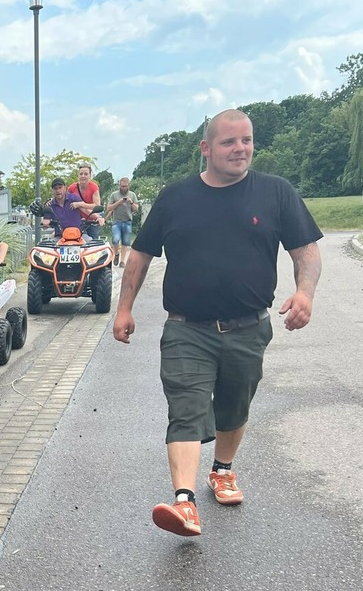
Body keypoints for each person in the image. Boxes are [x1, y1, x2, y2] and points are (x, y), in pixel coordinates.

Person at [112, 108, 323, 537]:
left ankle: (222, 469)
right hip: (186, 328)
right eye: (229, 142)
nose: (240, 149)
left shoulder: (276, 193)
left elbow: (306, 252)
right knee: (186, 408)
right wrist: (124, 308)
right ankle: (184, 503)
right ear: (206, 149)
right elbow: (140, 257)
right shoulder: (175, 197)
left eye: (246, 140)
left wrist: (305, 293)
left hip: (248, 326)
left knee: (234, 406)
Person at [106, 177, 139, 267]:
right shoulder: (114, 195)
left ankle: (122, 261)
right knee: (115, 239)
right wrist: (119, 202)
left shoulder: (132, 195)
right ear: (119, 186)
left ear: (128, 185)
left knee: (125, 242)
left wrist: (131, 203)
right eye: (122, 186)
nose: (124, 188)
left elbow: (136, 209)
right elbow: (108, 208)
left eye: (125, 186)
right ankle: (116, 253)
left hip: (127, 221)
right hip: (116, 221)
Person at [69, 163, 104, 240]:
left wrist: (80, 204)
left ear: (90, 176)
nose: (83, 176)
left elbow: (97, 205)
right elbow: (64, 201)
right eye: (81, 174)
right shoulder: (72, 188)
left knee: (94, 242)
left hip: (92, 219)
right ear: (78, 175)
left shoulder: (93, 187)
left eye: (85, 174)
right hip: (77, 221)